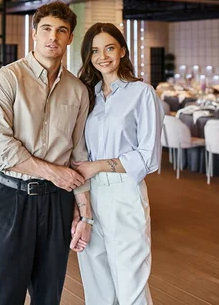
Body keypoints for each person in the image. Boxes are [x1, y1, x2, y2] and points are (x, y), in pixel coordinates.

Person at [0, 0, 93, 305]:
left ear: (70, 38)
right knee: (0, 295)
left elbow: (79, 153)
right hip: (11, 199)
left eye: (61, 31)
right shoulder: (7, 79)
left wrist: (86, 215)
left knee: (48, 295)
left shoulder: (78, 91)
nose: (53, 37)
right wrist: (53, 172)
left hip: (58, 203)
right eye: (46, 29)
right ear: (34, 33)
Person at [73, 22, 164, 305]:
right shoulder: (89, 96)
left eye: (109, 48)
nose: (103, 56)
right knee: (96, 284)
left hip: (125, 194)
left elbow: (147, 157)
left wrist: (97, 165)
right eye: (95, 50)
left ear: (123, 51)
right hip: (90, 196)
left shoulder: (142, 93)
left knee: (130, 283)